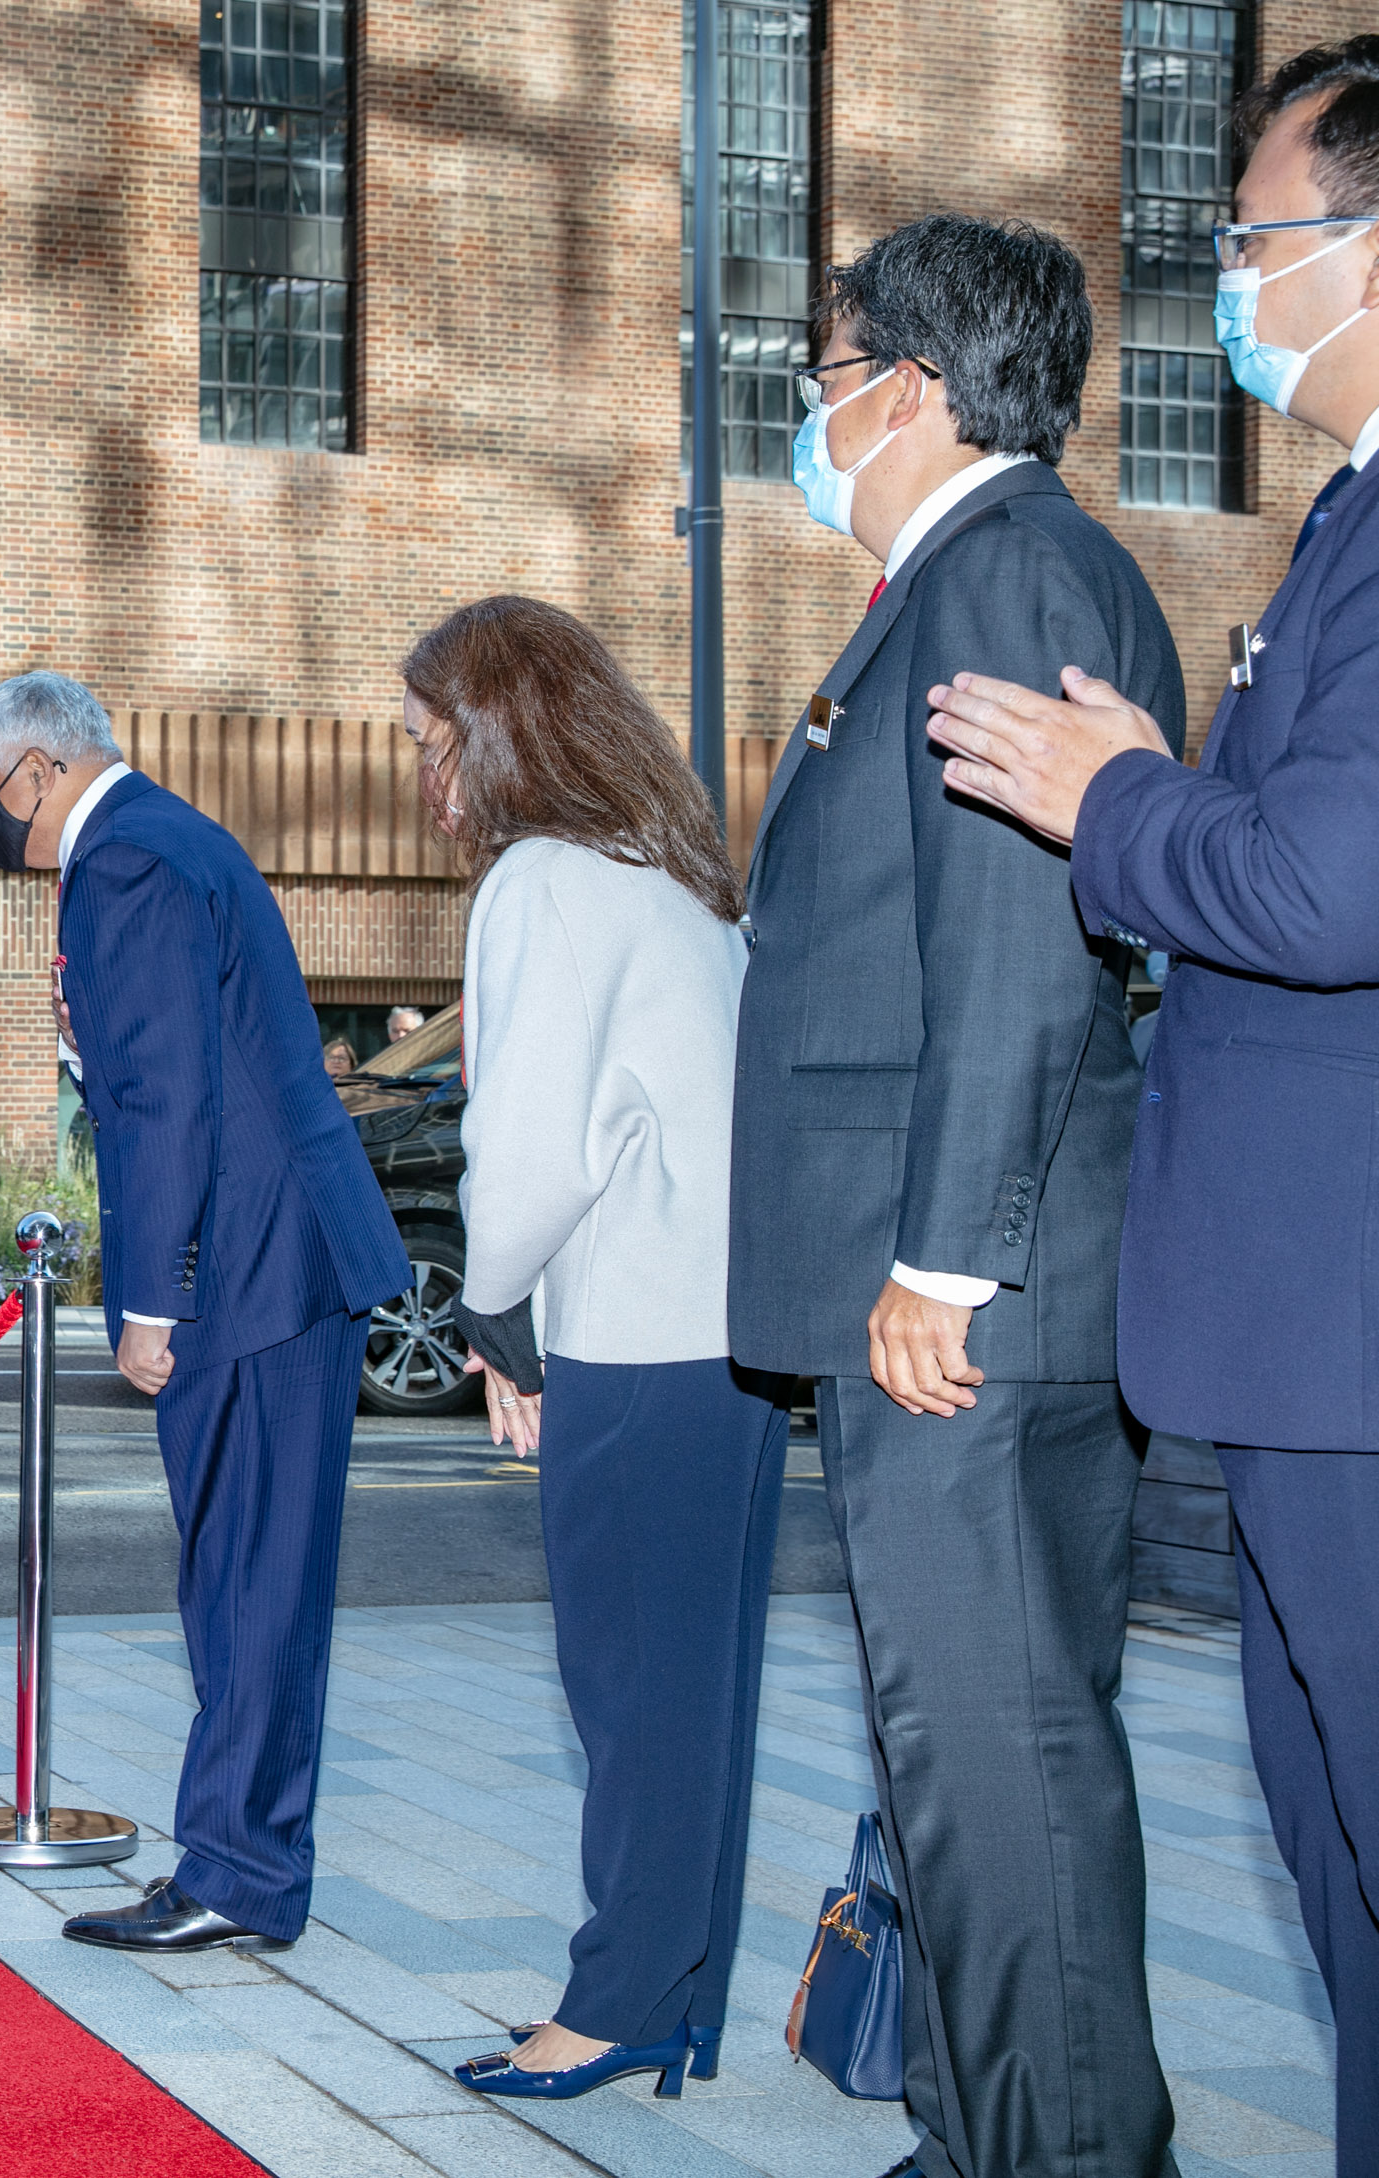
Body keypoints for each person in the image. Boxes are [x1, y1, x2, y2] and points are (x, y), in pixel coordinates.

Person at [924, 41, 1379, 2168]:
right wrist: (1163, 783)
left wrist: (1113, 801)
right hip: (1304, 1338)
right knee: (1329, 1859)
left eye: (1260, 240)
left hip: (1351, 1339)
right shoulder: (1348, 526)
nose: (1234, 283)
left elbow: (1322, 889)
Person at [730, 216, 1183, 2178]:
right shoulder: (980, 579)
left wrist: (943, 1263)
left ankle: (1068, 2156)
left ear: (911, 387)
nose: (812, 417)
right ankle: (999, 2131)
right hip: (955, 1298)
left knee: (1002, 1782)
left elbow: (1015, 941)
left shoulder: (1003, 577)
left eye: (826, 378)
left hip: (965, 1314)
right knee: (968, 1772)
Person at [0, 670, 410, 1957]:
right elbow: (180, 1062)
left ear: (39, 770)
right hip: (282, 1257)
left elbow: (170, 1108)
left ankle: (238, 1876)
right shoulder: (174, 840)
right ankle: (243, 1865)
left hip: (249, 1276)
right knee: (251, 1578)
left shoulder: (128, 864)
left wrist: (151, 1298)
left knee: (246, 1582)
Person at [399, 599, 785, 2102]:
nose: (427, 774)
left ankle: (619, 1999)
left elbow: (532, 1143)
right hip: (721, 1351)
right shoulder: (668, 873)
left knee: (628, 1695)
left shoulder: (542, 880)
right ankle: (670, 1994)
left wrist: (497, 1317)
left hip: (633, 1341)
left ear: (499, 732)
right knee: (695, 1694)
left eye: (436, 739)